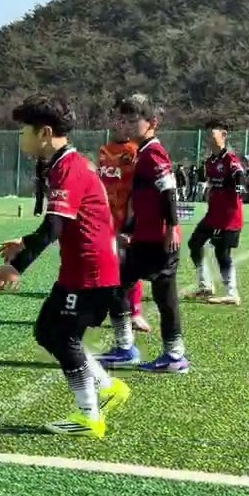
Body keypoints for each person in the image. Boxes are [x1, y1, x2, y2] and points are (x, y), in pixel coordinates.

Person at [0, 95, 129, 438]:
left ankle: (90, 416)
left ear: (45, 133)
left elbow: (54, 227)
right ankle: (107, 386)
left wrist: (17, 266)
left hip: (91, 272)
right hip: (82, 269)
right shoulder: (64, 164)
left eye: (24, 130)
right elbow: (65, 222)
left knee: (64, 337)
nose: (21, 136)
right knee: (47, 332)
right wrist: (24, 242)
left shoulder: (68, 168)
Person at [98, 94, 190, 374]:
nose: (127, 125)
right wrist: (128, 230)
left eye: (133, 120)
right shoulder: (142, 152)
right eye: (124, 120)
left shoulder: (153, 153)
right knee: (118, 286)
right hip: (143, 238)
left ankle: (174, 356)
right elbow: (139, 200)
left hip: (159, 240)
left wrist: (172, 227)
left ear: (152, 123)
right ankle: (126, 347)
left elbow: (168, 191)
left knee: (165, 298)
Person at [96, 107, 151, 333]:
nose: (119, 125)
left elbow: (136, 187)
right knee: (105, 264)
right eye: (115, 120)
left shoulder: (135, 151)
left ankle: (135, 312)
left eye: (124, 121)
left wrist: (132, 217)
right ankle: (102, 309)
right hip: (105, 217)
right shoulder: (104, 150)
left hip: (126, 216)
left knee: (129, 265)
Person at [187, 120, 248, 305]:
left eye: (212, 134)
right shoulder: (209, 162)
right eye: (207, 135)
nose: (209, 138)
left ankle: (232, 293)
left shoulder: (230, 158)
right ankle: (205, 285)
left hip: (229, 216)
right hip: (213, 215)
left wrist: (240, 186)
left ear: (223, 135)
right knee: (194, 243)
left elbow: (239, 173)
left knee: (223, 253)